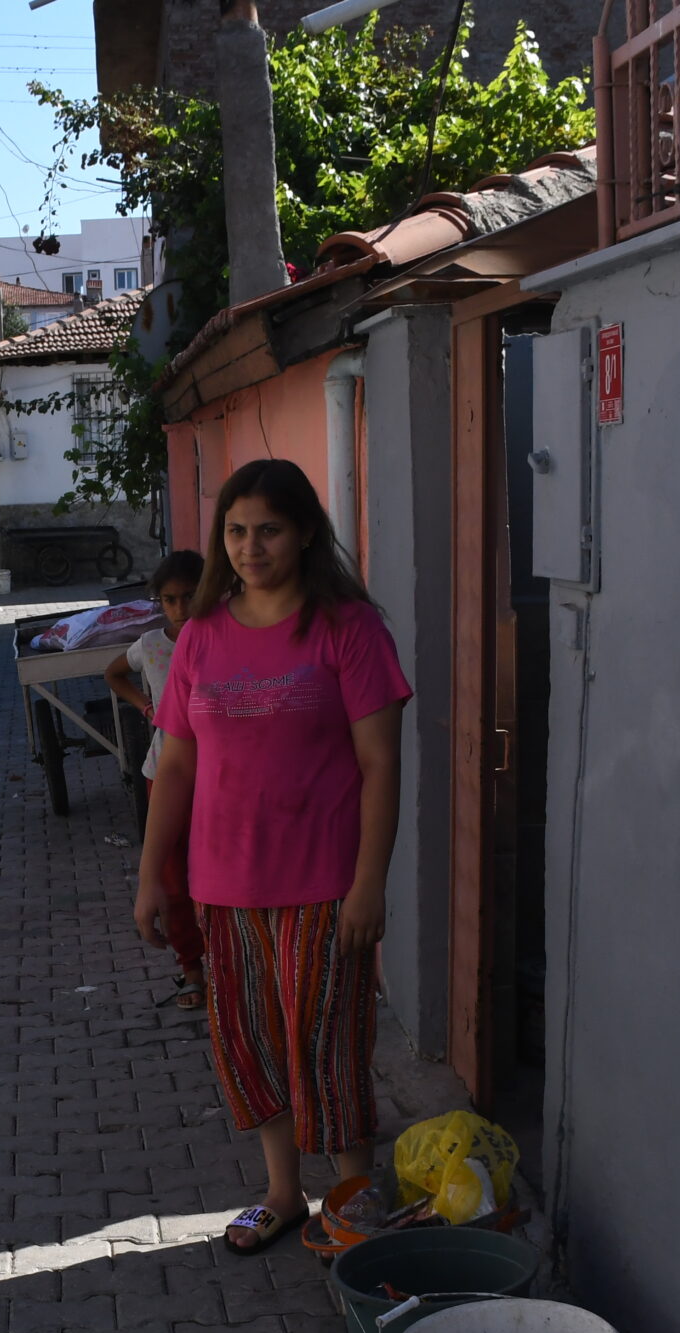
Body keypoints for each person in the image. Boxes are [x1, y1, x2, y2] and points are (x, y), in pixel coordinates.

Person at [132, 459, 411, 1256]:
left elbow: (381, 765)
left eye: (269, 530)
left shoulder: (348, 630)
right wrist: (152, 873)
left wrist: (370, 882)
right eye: (236, 531)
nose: (252, 547)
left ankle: (354, 1198)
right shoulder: (202, 638)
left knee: (327, 1041)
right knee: (249, 1042)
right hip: (223, 885)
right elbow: (176, 764)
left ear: (304, 534)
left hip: (325, 884)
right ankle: (285, 1194)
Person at [105, 550, 207, 1008]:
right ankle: (191, 969)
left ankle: (228, 965)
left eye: (190, 597)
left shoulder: (221, 639)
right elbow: (114, 673)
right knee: (171, 878)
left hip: (219, 776)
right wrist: (147, 708)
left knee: (217, 876)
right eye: (171, 600)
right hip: (164, 771)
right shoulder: (151, 645)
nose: (181, 609)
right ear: (159, 603)